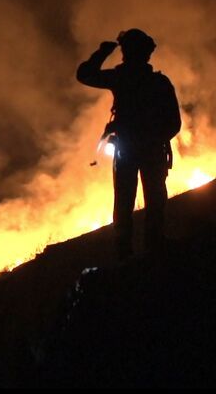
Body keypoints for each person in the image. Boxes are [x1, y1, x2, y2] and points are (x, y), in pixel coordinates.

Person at [77, 29, 182, 260]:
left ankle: (126, 250)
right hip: (147, 150)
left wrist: (102, 53)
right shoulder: (158, 82)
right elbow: (174, 122)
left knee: (128, 201)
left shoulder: (122, 79)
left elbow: (85, 74)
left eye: (126, 51)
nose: (125, 57)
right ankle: (151, 245)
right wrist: (157, 139)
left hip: (132, 150)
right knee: (150, 199)